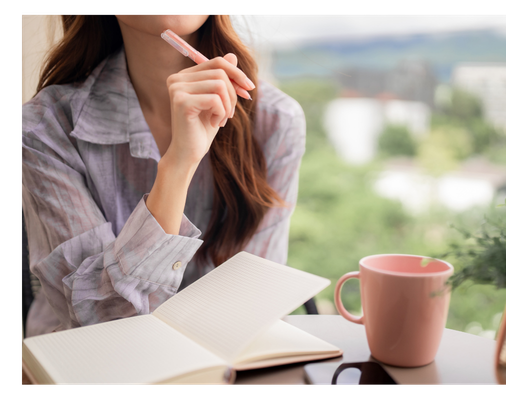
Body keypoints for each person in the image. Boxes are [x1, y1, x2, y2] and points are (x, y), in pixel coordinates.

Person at [21, 13, 306, 337]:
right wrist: (178, 165)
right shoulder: (44, 126)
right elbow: (101, 323)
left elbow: (252, 306)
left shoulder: (275, 122)